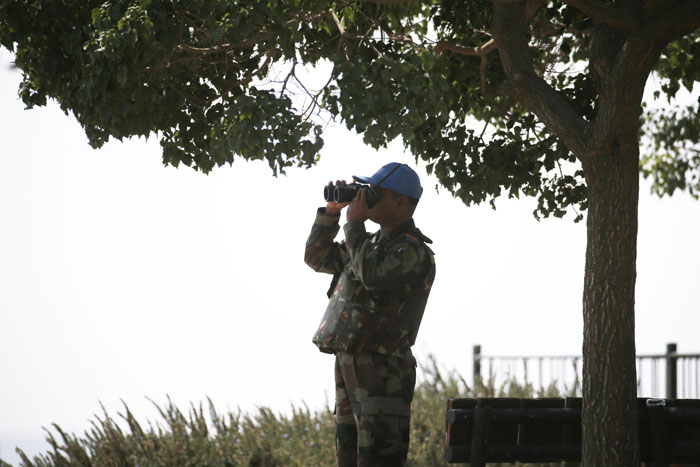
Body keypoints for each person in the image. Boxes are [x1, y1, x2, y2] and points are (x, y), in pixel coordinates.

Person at [304, 162, 436, 466]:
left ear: (401, 202)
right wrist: (332, 213)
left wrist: (354, 225)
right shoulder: (367, 243)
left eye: (376, 192)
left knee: (378, 459)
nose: (367, 197)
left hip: (383, 370)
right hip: (350, 361)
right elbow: (316, 257)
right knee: (349, 457)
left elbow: (373, 275)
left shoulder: (412, 251)